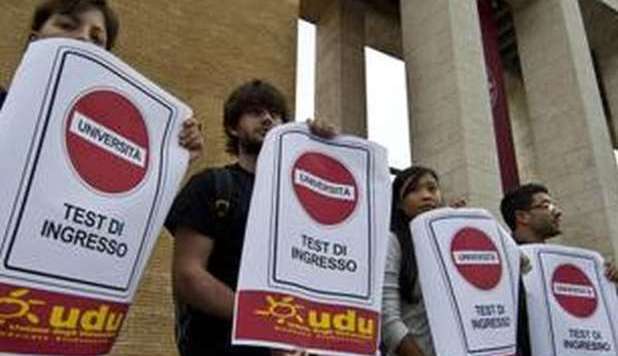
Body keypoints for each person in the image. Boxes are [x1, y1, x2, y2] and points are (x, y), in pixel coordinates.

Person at [166, 79, 334, 356]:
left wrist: (327, 150)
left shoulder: (303, 202)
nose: (267, 118)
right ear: (233, 127)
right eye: (255, 112)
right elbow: (188, 277)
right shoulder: (213, 186)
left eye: (275, 114)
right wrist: (267, 325)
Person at [2, 0, 203, 160]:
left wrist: (171, 158)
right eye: (67, 25)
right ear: (33, 40)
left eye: (96, 39)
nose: (83, 38)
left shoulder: (94, 145)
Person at [500, 183, 618, 356]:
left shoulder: (574, 265)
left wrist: (611, 286)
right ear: (522, 216)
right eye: (546, 206)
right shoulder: (504, 262)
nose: (557, 211)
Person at [381, 166, 444, 356]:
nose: (426, 196)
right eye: (414, 190)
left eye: (432, 189)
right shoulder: (392, 242)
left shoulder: (452, 243)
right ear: (399, 204)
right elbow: (388, 319)